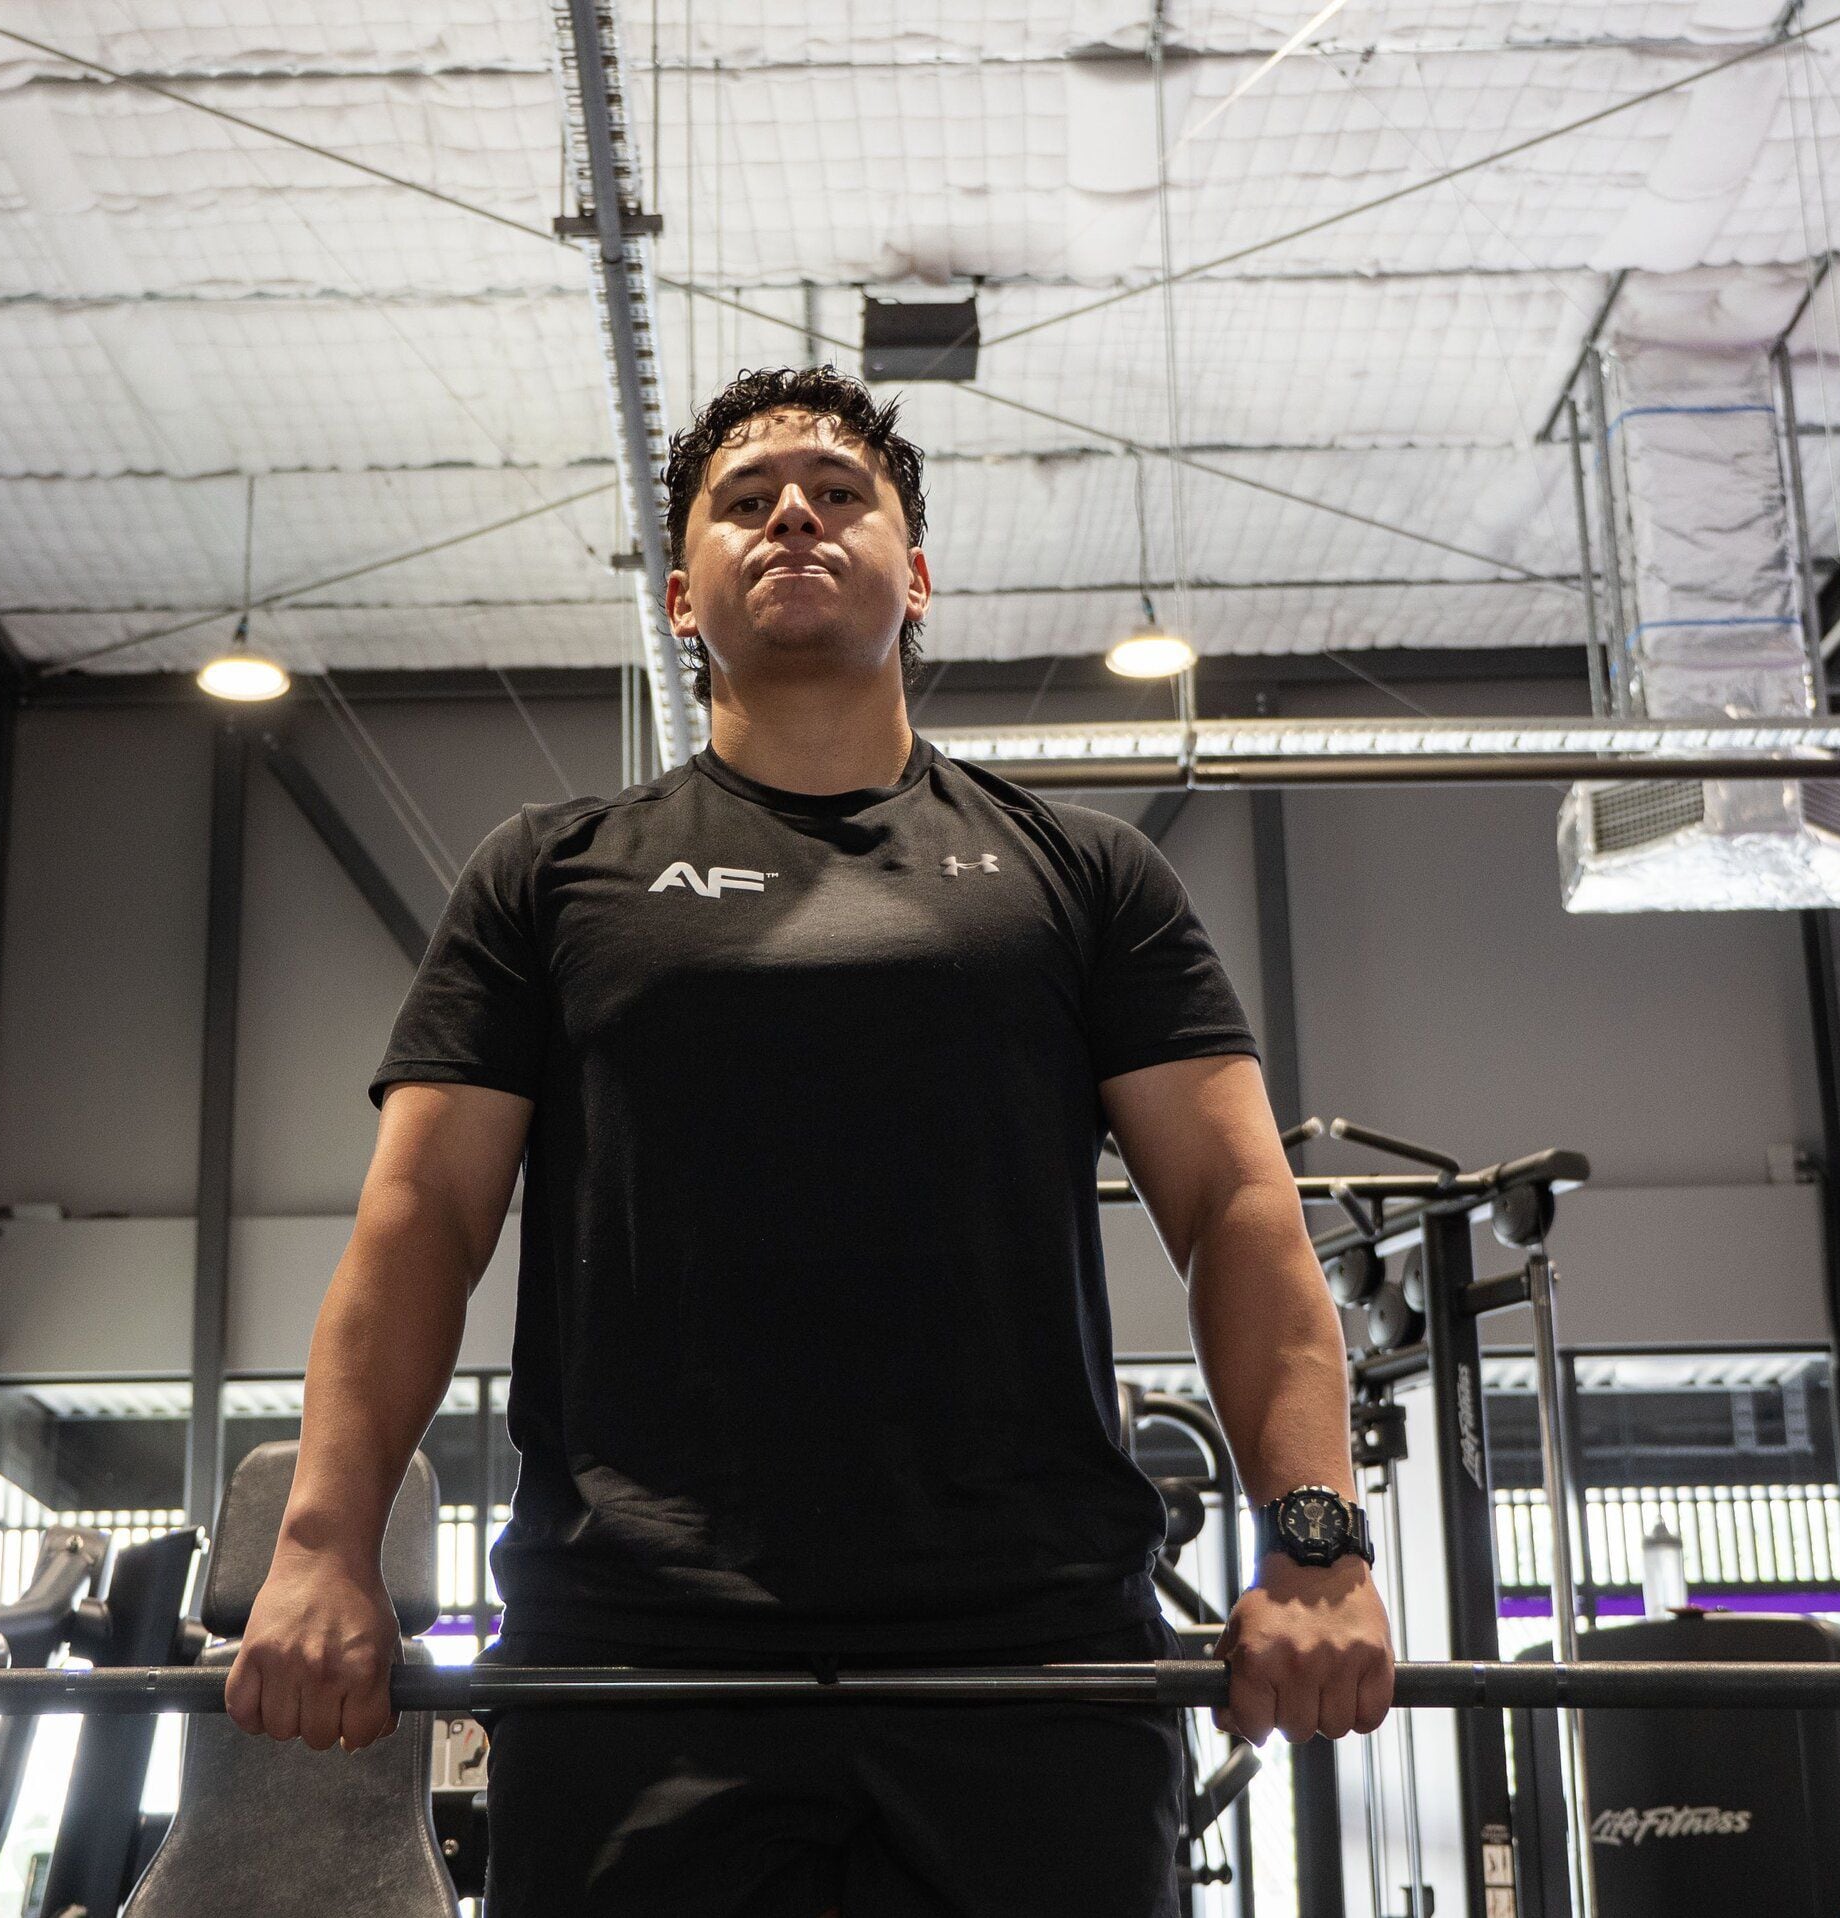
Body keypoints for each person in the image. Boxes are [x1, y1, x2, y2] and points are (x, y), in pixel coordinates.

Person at [226, 365, 1393, 1915]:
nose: (794, 509)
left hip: (1029, 1657)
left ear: (914, 577)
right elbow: (421, 1219)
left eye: (842, 493)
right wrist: (323, 1546)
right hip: (644, 1660)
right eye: (745, 497)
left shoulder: (1089, 877)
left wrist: (1314, 1541)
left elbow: (1242, 1210)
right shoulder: (549, 877)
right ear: (681, 595)